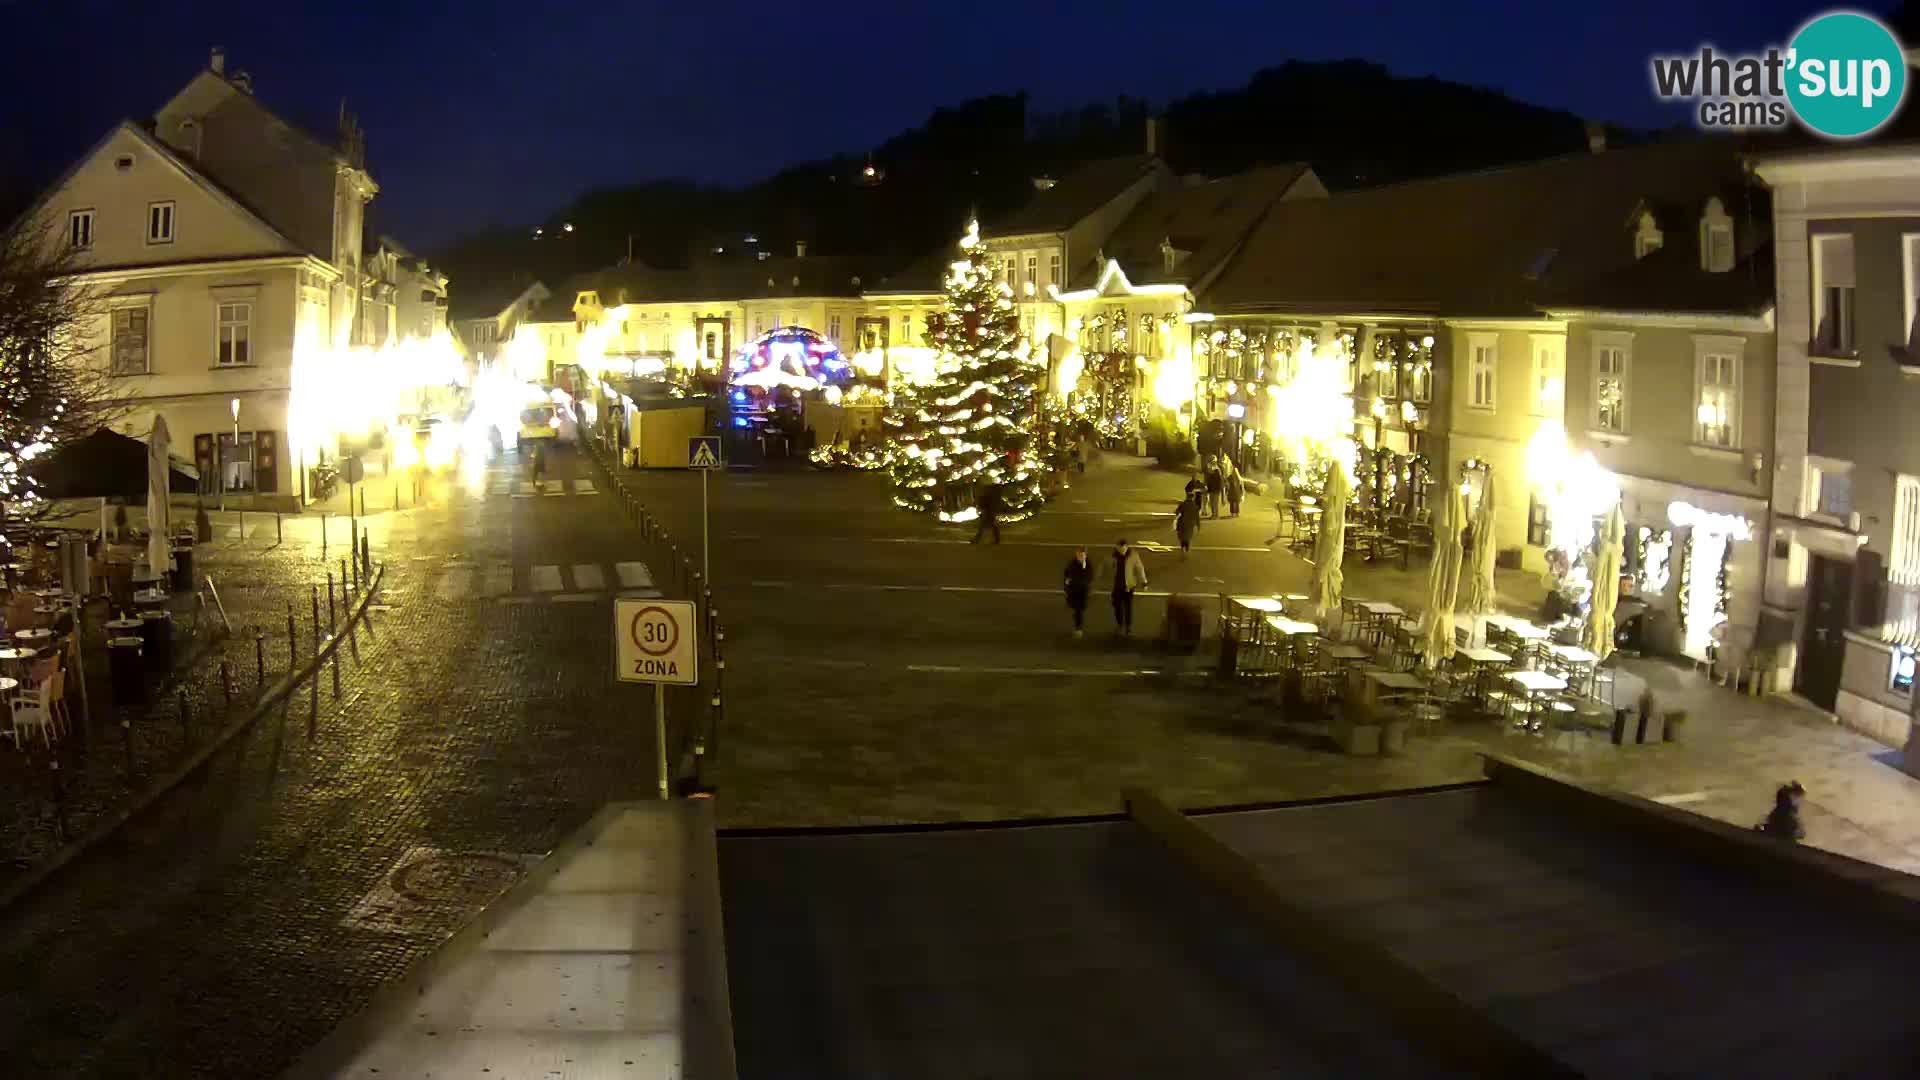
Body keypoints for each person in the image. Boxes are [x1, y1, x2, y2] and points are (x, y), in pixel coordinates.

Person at [1111, 538, 1148, 636]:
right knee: (1117, 607)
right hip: (1117, 586)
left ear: (1127, 547)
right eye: (1120, 549)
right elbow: (1106, 566)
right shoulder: (1113, 556)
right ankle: (1120, 624)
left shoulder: (1133, 556)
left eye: (1124, 548)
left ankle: (1128, 627)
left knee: (1128, 607)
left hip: (1129, 585)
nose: (1122, 551)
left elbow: (1140, 568)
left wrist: (1144, 582)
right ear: (1117, 548)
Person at [1063, 547, 1093, 637]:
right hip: (1074, 590)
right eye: (1079, 555)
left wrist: (1083, 567)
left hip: (1082, 591)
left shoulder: (1087, 565)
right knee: (1077, 610)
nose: (1080, 557)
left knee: (1079, 610)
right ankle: (1078, 628)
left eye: (1082, 555)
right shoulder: (1072, 563)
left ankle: (1078, 628)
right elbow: (1067, 573)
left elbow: (1089, 577)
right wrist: (1066, 582)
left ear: (1085, 555)